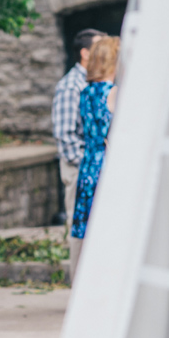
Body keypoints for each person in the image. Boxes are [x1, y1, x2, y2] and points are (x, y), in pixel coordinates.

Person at [52, 28, 104, 277]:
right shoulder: (71, 86)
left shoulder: (95, 84)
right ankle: (78, 288)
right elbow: (66, 137)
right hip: (78, 169)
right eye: (99, 47)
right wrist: (90, 165)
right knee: (79, 228)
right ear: (85, 53)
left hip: (92, 167)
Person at [70, 35, 120, 275]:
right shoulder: (113, 93)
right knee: (110, 231)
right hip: (108, 165)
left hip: (89, 164)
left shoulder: (86, 92)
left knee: (88, 231)